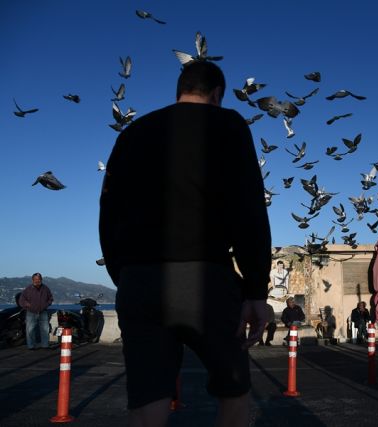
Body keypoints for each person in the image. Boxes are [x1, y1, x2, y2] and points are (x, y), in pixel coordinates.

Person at [99, 60, 272, 427]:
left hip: (139, 278)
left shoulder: (131, 133)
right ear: (217, 94)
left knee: (148, 400)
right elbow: (249, 208)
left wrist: (126, 275)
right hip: (201, 276)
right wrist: (256, 289)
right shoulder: (227, 124)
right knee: (234, 390)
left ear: (179, 90)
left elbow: (108, 212)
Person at [19, 273, 53, 350]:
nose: (37, 281)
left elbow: (50, 298)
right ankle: (31, 346)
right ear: (32, 280)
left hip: (43, 312)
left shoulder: (45, 288)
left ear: (41, 279)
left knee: (45, 329)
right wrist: (26, 304)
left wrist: (46, 304)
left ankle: (45, 345)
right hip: (31, 312)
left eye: (39, 279)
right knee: (30, 330)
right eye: (35, 279)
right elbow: (21, 300)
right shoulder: (28, 289)